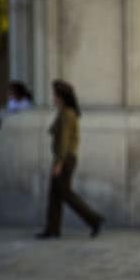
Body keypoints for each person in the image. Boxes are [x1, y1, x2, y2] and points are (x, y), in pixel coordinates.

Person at [36, 80, 104, 238]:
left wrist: (59, 162)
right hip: (64, 158)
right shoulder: (64, 112)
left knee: (65, 194)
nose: (53, 98)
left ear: (61, 97)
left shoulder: (67, 114)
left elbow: (64, 141)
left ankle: (94, 219)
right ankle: (52, 228)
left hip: (65, 159)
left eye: (55, 95)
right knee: (55, 194)